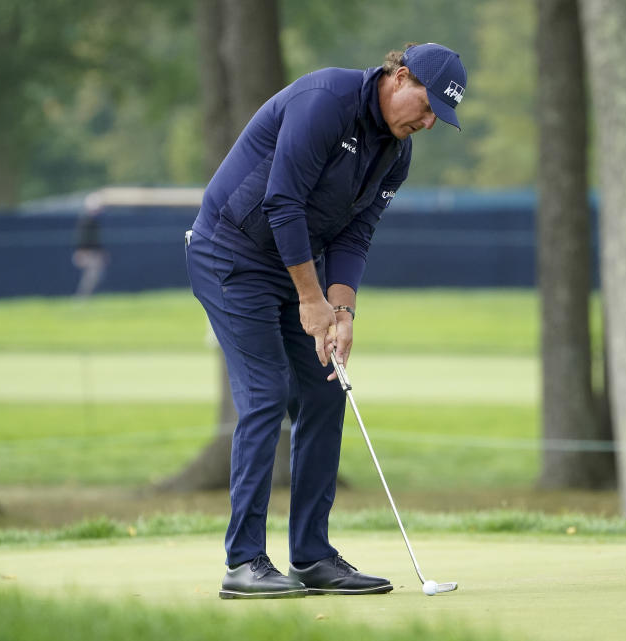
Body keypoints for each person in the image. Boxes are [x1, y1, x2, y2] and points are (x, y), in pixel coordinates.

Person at [185, 43, 467, 599]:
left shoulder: (396, 153)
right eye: (427, 105)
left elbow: (354, 234)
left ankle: (311, 557)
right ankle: (243, 562)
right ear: (400, 76)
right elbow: (282, 202)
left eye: (438, 116)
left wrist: (342, 312)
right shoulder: (325, 100)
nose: (429, 121)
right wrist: (311, 301)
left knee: (324, 389)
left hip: (296, 264)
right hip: (230, 254)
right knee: (266, 392)